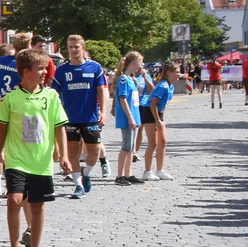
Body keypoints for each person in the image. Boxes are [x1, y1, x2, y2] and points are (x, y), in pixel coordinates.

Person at [0, 47, 72, 247]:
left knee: (37, 206)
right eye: (40, 69)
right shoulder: (10, 99)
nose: (45, 72)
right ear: (26, 72)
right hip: (16, 160)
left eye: (45, 68)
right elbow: (1, 132)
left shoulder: (51, 96)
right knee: (14, 200)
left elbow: (59, 128)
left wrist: (63, 155)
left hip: (41, 162)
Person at [54, 35, 108, 198]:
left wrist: (103, 112)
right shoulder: (62, 70)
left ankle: (87, 172)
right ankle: (78, 185)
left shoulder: (95, 68)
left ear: (83, 48)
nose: (74, 50)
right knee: (72, 153)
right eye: (71, 47)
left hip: (90, 117)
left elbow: (102, 91)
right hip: (69, 118)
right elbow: (55, 94)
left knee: (95, 152)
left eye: (77, 47)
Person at [112, 51, 146, 185]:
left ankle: (128, 173)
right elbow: (123, 99)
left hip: (134, 116)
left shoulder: (131, 78)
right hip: (128, 117)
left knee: (131, 148)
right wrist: (130, 117)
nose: (141, 65)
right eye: (140, 62)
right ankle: (119, 175)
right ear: (134, 62)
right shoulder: (123, 79)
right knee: (126, 146)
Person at [146, 62, 178, 180]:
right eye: (177, 72)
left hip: (159, 113)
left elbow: (163, 105)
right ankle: (147, 171)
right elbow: (153, 104)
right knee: (152, 143)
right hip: (150, 113)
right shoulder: (162, 86)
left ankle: (160, 170)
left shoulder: (171, 86)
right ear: (170, 72)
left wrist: (161, 119)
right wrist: (157, 120)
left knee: (163, 142)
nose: (179, 74)